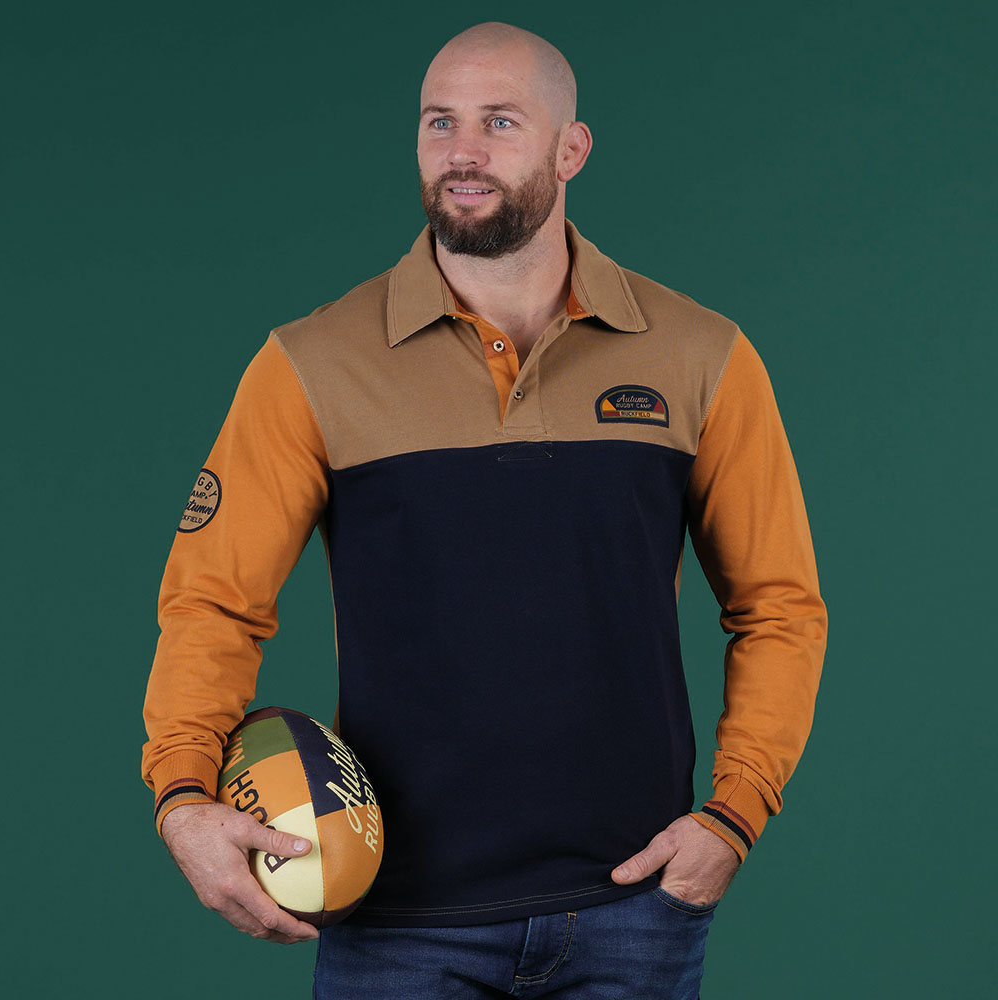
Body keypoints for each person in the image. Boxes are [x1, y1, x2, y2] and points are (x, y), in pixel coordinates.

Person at [142, 21, 827, 999]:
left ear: (571, 148)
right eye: (440, 122)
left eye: (499, 122)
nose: (462, 152)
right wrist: (181, 794)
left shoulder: (701, 355)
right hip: (396, 926)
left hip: (636, 909)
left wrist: (734, 813)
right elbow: (212, 600)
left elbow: (779, 605)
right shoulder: (311, 364)